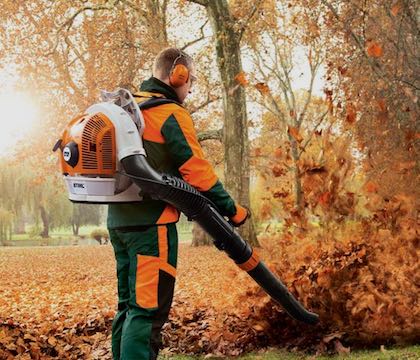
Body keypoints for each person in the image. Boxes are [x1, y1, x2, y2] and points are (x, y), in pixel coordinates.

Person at [107, 47, 249, 360]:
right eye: (191, 80)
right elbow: (198, 173)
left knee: (128, 307)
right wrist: (233, 211)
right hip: (151, 226)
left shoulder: (128, 107)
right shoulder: (169, 113)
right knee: (147, 312)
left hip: (118, 221)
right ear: (178, 74)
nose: (191, 87)